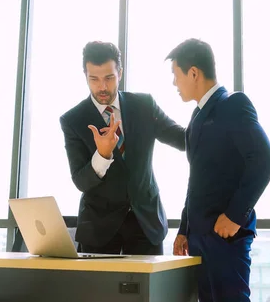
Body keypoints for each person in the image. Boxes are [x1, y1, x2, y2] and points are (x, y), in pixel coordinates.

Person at [168, 38, 270, 302]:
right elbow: (197, 180)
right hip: (199, 238)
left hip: (226, 237)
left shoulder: (233, 104)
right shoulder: (195, 117)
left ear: (193, 73)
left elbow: (263, 160)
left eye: (176, 75)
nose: (174, 83)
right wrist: (184, 229)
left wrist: (235, 215)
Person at [59, 41, 186, 255]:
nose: (102, 87)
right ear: (85, 75)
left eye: (109, 78)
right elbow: (81, 181)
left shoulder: (144, 106)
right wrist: (102, 155)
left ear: (120, 72)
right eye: (94, 79)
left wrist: (210, 116)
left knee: (148, 289)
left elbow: (182, 138)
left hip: (146, 224)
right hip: (99, 229)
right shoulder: (73, 120)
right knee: (98, 290)